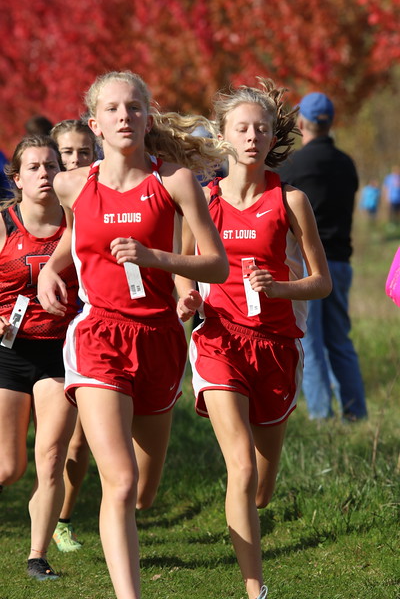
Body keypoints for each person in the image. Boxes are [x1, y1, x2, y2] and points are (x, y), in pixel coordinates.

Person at [37, 70, 230, 599]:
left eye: (134, 107)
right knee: (119, 481)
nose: (125, 116)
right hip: (98, 335)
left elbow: (215, 265)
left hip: (160, 339)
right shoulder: (72, 184)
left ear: (147, 117)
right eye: (114, 109)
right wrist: (53, 268)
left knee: (143, 492)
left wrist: (156, 258)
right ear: (95, 123)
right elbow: (77, 236)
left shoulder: (174, 182)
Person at [176, 78, 332, 599]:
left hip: (276, 344)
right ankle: (255, 589)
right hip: (219, 340)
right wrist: (186, 296)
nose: (251, 137)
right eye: (241, 128)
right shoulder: (203, 199)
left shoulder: (291, 200)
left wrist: (280, 286)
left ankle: (252, 507)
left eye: (261, 129)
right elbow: (184, 264)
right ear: (223, 136)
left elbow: (322, 282)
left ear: (271, 139)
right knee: (239, 466)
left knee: (261, 486)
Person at [0, 135, 79, 580]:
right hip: (8, 353)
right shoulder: (3, 224)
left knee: (50, 456)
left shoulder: (78, 223)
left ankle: (36, 556)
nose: (45, 174)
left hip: (60, 352)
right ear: (17, 178)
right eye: (34, 167)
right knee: (9, 468)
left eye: (52, 165)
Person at [278, 91, 368, 421]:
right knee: (339, 339)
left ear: (301, 123)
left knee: (311, 341)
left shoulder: (294, 165)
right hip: (342, 262)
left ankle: (321, 415)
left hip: (308, 265)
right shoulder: (346, 163)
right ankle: (356, 412)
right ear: (330, 123)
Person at [50, 119, 97, 552]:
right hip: (30, 339)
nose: (75, 160)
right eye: (67, 153)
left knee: (77, 438)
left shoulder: (95, 199)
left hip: (83, 328)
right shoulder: (19, 214)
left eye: (84, 152)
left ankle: (62, 518)